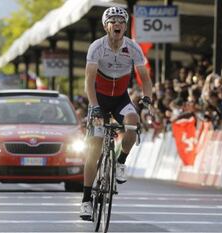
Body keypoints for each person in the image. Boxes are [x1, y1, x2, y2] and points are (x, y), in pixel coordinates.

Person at [79, 7, 153, 220]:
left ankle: (121, 161)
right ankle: (85, 200)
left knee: (132, 121)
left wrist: (146, 99)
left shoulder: (133, 48)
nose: (117, 24)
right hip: (99, 99)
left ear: (125, 26)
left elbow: (145, 80)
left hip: (120, 98)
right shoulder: (96, 48)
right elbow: (89, 81)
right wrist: (94, 107)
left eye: (121, 21)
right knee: (94, 147)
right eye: (112, 21)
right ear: (106, 26)